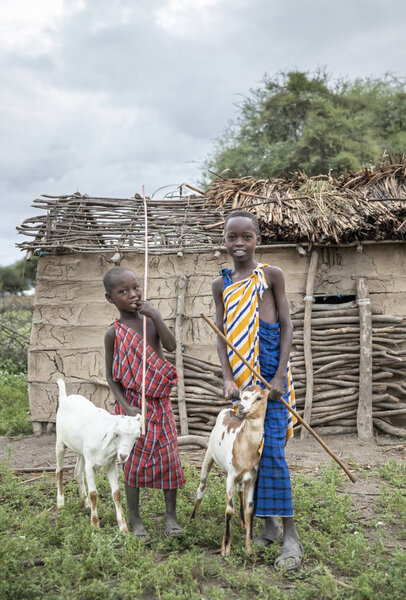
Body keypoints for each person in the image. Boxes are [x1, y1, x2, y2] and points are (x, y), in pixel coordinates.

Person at [212, 210, 303, 570]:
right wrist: (227, 378)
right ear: (225, 240)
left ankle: (290, 535)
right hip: (243, 384)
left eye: (246, 237)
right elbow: (221, 336)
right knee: (251, 451)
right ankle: (267, 526)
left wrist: (280, 376)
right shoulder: (222, 284)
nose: (239, 244)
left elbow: (287, 326)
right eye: (232, 237)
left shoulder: (271, 276)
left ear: (257, 240)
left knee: (274, 454)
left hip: (271, 380)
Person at [104, 266, 185, 543]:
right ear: (110, 298)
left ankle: (170, 516)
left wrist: (157, 316)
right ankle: (136, 520)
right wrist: (126, 407)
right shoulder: (113, 334)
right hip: (133, 408)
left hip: (159, 404)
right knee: (133, 463)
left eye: (135, 288)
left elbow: (171, 347)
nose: (132, 294)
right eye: (123, 291)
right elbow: (111, 378)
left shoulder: (150, 322)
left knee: (170, 460)